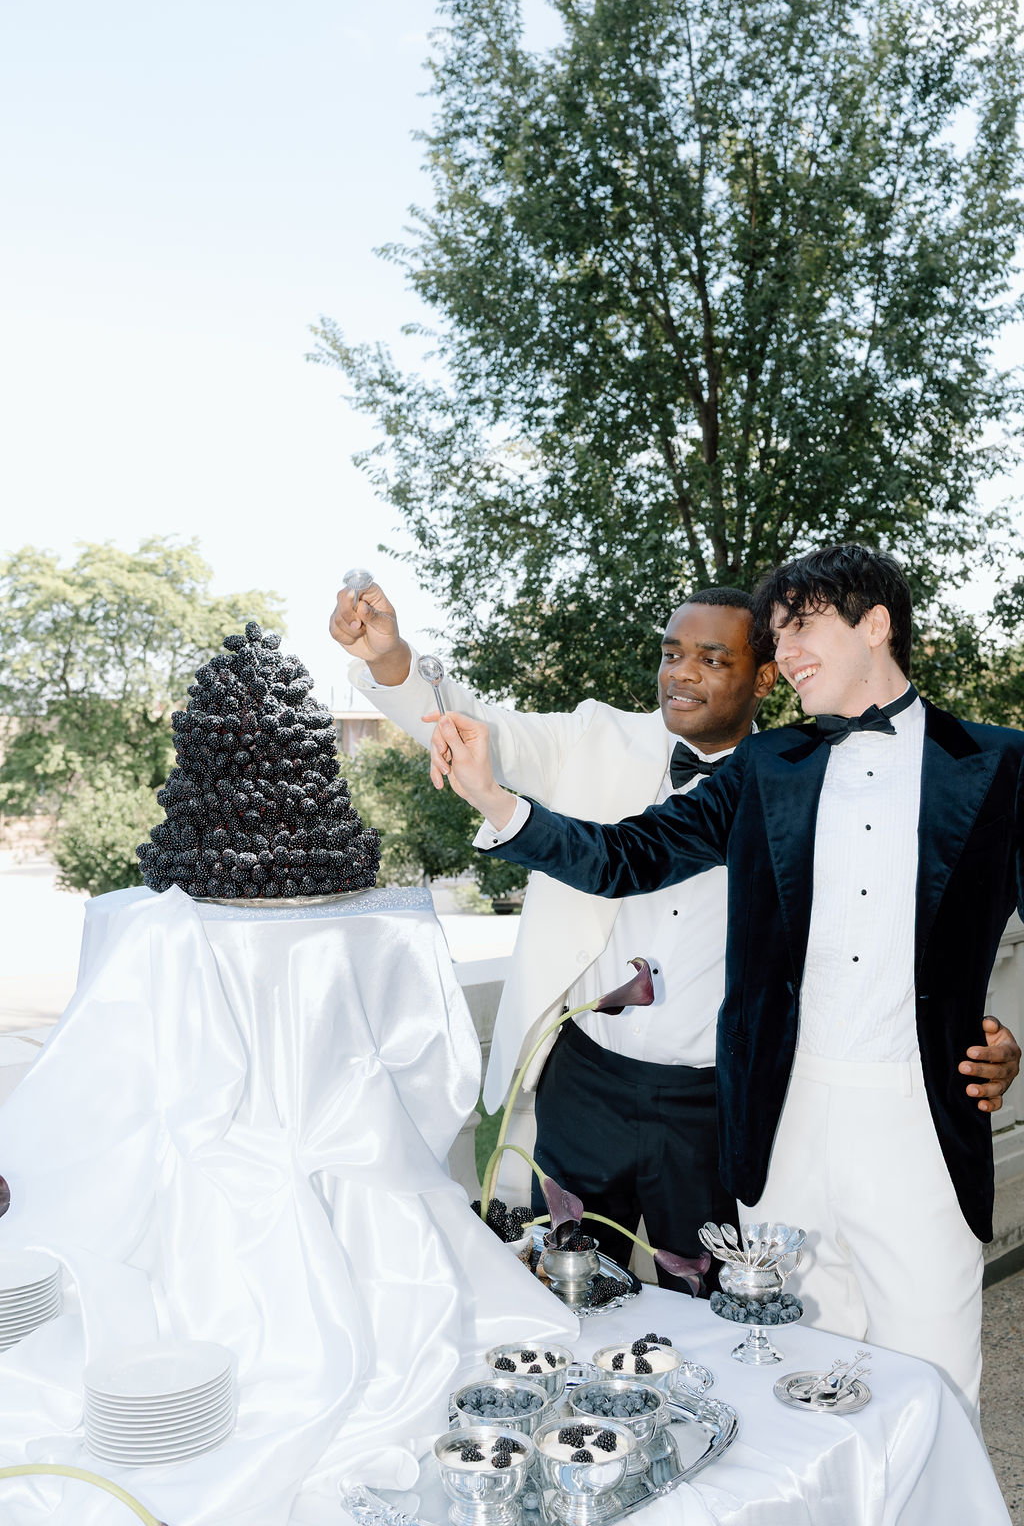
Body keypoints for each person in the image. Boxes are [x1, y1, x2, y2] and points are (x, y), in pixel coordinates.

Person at [423, 543, 1022, 1422]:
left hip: (919, 1125)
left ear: (877, 625)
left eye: (803, 625)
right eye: (778, 632)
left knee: (934, 1386)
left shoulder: (1003, 766)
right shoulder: (765, 768)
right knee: (794, 1382)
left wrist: (1013, 1037)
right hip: (779, 1131)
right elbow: (627, 856)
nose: (787, 651)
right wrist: (494, 802)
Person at [331, 580, 776, 1283]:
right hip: (586, 1086)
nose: (682, 672)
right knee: (563, 1293)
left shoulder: (790, 784)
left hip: (713, 1106)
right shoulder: (595, 738)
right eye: (671, 653)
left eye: (713, 659)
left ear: (765, 677)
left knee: (708, 1301)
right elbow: (476, 729)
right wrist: (392, 662)